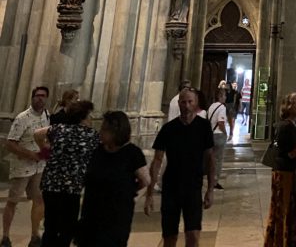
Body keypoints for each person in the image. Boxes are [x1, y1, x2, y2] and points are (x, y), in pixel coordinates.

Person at [145, 88, 215, 247]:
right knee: (169, 236)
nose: (187, 105)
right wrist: (149, 193)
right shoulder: (168, 129)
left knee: (193, 235)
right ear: (179, 104)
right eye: (183, 102)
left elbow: (210, 158)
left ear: (196, 103)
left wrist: (210, 189)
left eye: (190, 101)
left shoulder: (203, 127)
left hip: (193, 187)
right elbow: (157, 161)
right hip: (171, 187)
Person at [78, 110, 150, 247]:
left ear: (117, 131)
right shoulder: (97, 150)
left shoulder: (132, 153)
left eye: (105, 129)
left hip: (116, 215)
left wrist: (130, 193)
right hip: (92, 212)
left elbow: (145, 181)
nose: (101, 132)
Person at [34, 100, 99, 247]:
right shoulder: (90, 134)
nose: (91, 118)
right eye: (90, 115)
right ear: (83, 116)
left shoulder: (58, 129)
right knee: (67, 228)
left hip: (51, 184)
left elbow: (37, 134)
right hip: (72, 186)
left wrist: (45, 150)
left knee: (50, 225)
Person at [1, 85, 50, 247]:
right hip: (22, 166)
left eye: (43, 96)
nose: (40, 98)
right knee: (13, 201)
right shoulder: (23, 118)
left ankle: (35, 235)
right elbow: (10, 143)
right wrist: (31, 155)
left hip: (39, 167)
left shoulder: (47, 115)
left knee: (38, 199)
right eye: (37, 95)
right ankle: (6, 236)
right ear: (32, 97)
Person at [262, 93, 296, 247]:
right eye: (295, 102)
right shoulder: (286, 126)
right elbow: (288, 153)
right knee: (282, 210)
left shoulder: (291, 124)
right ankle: (279, 242)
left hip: (288, 172)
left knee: (287, 208)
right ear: (288, 106)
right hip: (284, 172)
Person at [206, 88, 227, 190]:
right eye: (224, 95)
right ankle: (214, 181)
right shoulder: (222, 107)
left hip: (211, 135)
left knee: (211, 160)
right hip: (218, 135)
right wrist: (225, 133)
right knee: (218, 160)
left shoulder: (211, 106)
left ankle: (209, 179)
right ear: (220, 96)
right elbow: (221, 122)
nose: (225, 97)